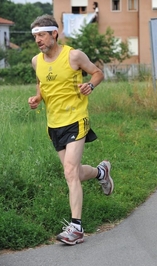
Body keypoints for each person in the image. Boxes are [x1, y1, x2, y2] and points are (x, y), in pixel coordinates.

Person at [28, 14, 113, 245]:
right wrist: (38, 97)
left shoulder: (73, 55)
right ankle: (101, 172)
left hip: (76, 119)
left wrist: (90, 85)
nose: (38, 40)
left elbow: (98, 72)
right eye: (35, 36)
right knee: (73, 172)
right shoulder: (37, 61)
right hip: (53, 124)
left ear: (54, 33)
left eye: (42, 35)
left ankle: (76, 227)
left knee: (69, 171)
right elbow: (42, 82)